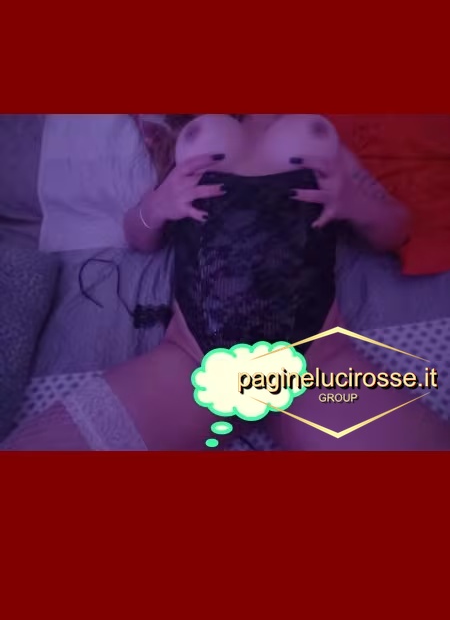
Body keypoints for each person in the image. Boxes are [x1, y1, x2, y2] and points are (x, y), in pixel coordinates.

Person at [3, 114, 450, 451]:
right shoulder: (188, 134)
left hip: (315, 359)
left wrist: (357, 204)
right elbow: (137, 235)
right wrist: (158, 206)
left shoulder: (320, 133)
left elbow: (395, 229)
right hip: (193, 362)